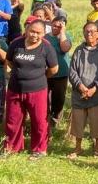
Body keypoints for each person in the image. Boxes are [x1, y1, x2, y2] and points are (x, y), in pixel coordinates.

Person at [4, 19, 59, 158]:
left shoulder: (47, 47)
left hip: (37, 90)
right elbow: (9, 61)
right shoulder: (16, 43)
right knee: (12, 120)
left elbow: (53, 69)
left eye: (38, 33)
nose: (34, 35)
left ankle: (39, 149)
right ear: (27, 30)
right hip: (15, 89)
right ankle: (11, 148)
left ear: (43, 34)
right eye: (32, 31)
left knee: (39, 121)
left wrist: (38, 77)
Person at [68, 22, 98, 158]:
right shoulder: (79, 50)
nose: (89, 34)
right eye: (87, 31)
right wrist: (81, 86)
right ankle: (78, 147)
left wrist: (94, 88)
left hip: (97, 91)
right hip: (79, 92)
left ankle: (97, 146)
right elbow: (72, 71)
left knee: (97, 120)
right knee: (78, 120)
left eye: (92, 31)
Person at [45, 15, 73, 133]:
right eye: (54, 25)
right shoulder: (45, 37)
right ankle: (45, 119)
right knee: (45, 97)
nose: (55, 28)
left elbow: (65, 48)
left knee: (59, 98)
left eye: (59, 26)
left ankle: (55, 118)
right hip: (47, 73)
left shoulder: (67, 36)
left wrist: (62, 33)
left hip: (61, 72)